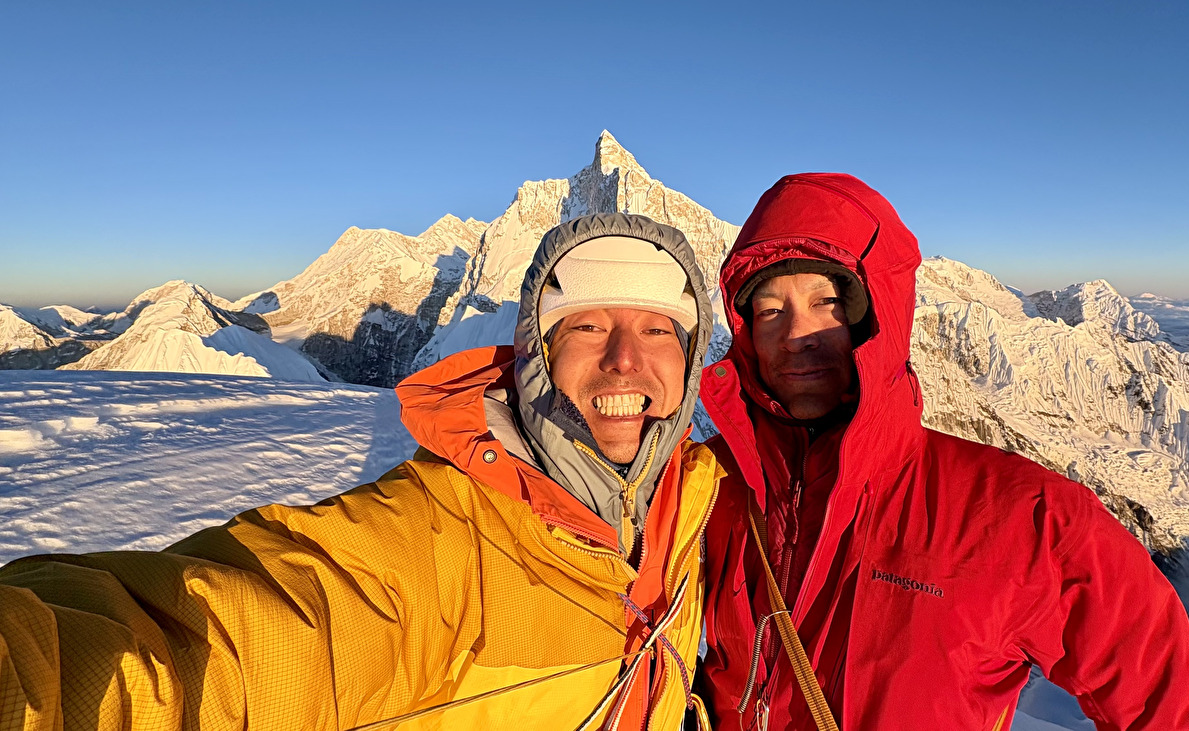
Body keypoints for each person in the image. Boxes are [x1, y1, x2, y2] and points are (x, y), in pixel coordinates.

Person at [0, 212, 723, 730]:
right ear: (535, 357)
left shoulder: (695, 507)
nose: (625, 358)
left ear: (690, 364)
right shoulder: (438, 535)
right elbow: (229, 641)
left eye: (658, 328)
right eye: (589, 326)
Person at [696, 174, 1189, 730]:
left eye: (829, 302)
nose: (798, 334)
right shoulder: (703, 487)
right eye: (769, 309)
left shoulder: (1029, 517)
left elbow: (1181, 709)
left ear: (878, 320)